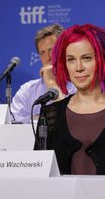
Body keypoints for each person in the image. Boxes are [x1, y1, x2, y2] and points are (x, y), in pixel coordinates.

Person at [34, 24, 105, 175]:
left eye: (86, 58)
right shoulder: (50, 113)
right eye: (71, 60)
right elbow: (38, 174)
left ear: (101, 60)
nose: (78, 67)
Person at [11, 24, 76, 123]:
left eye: (52, 50)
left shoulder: (78, 85)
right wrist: (46, 118)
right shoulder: (27, 90)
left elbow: (70, 119)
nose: (48, 57)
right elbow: (14, 123)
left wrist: (51, 83)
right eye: (42, 52)